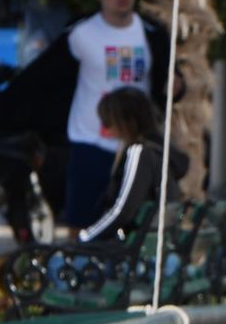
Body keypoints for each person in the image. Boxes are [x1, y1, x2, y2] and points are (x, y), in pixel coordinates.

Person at [0, 0, 178, 236]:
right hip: (92, 141)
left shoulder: (151, 33)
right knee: (82, 221)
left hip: (136, 145)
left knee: (136, 220)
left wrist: (177, 87)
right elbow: (38, 77)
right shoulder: (82, 33)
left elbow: (170, 76)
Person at [78, 87, 186, 244]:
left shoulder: (140, 152)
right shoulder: (159, 150)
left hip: (133, 250)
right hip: (151, 244)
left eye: (108, 122)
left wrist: (84, 238)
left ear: (127, 122)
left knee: (56, 262)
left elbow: (123, 210)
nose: (105, 128)